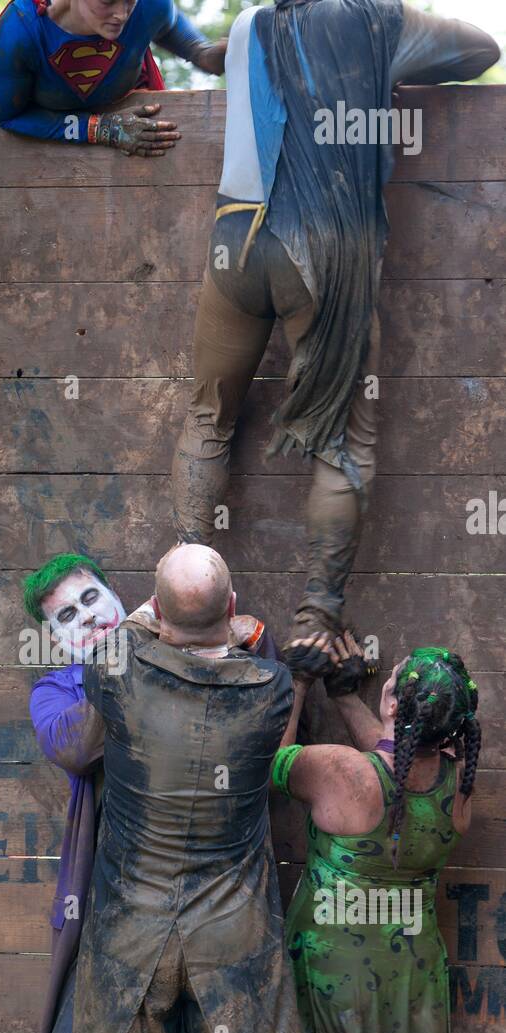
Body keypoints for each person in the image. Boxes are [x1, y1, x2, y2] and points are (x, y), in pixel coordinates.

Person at [0, 552, 279, 1033]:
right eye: (69, 618)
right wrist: (129, 649)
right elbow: (81, 745)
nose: (90, 618)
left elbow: (262, 670)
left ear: (127, 595)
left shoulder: (218, 654)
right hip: (110, 940)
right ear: (56, 640)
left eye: (94, 599)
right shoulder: (62, 689)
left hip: (214, 931)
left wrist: (181, 639)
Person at [171, 0, 500, 668]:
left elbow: (207, 57)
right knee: (347, 440)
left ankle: (179, 601)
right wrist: (383, 71)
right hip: (325, 250)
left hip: (237, 237)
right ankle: (316, 617)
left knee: (208, 417)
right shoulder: (377, 20)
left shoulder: (247, 26)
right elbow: (480, 49)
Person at [57, 543, 307, 1033]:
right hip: (233, 945)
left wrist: (159, 620)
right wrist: (228, 631)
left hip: (131, 943)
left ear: (157, 614)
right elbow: (251, 660)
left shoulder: (116, 674)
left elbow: (128, 636)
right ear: (232, 612)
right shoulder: (270, 692)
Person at [272, 633, 481, 1033]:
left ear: (394, 703)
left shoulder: (341, 772)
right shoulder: (456, 788)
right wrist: (350, 696)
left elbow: (271, 763)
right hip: (409, 982)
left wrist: (302, 685)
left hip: (335, 979)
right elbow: (396, 759)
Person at [0, 0, 226, 156]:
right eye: (108, 1)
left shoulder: (149, 4)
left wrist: (204, 54)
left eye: (129, 0)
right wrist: (103, 129)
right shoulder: (21, 31)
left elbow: (170, 29)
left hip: (137, 145)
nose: (121, 14)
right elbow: (8, 115)